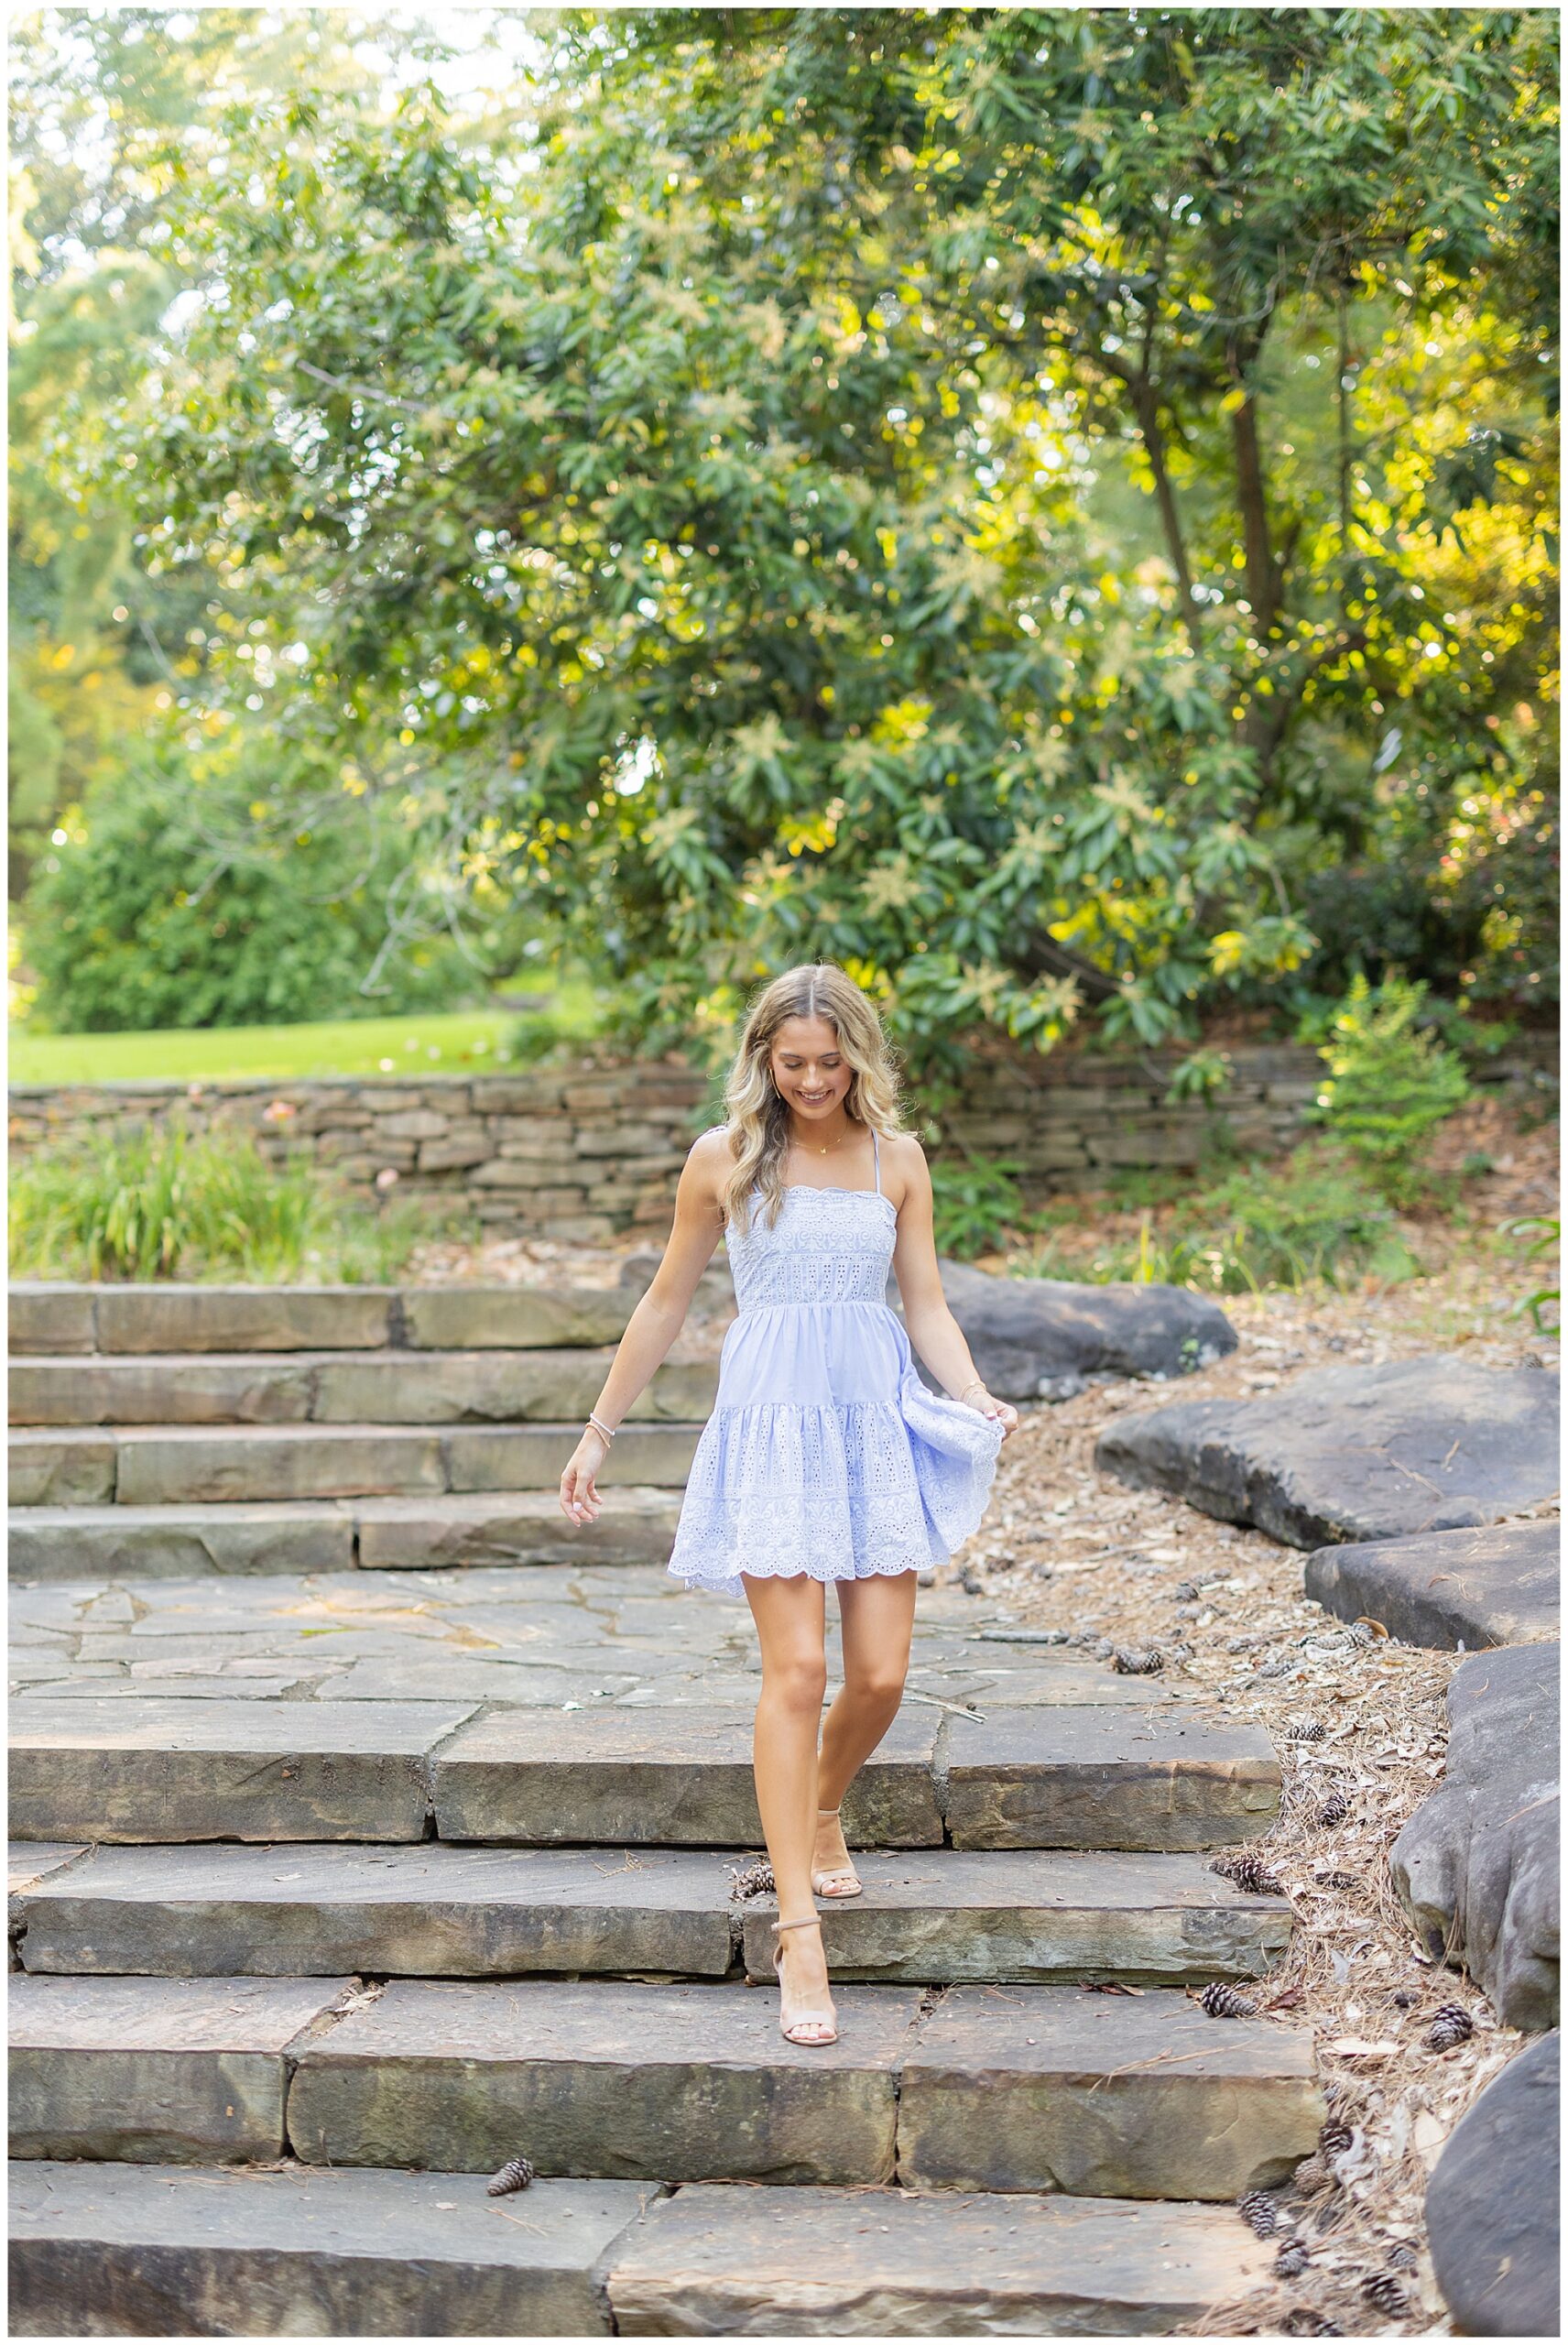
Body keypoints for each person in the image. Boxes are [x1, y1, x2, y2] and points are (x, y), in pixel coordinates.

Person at [558, 963, 1018, 2045]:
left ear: (858, 1059)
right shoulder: (721, 1158)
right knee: (798, 1670)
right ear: (763, 1059)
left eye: (828, 1063)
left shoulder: (897, 1160)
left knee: (882, 1675)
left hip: (868, 1426)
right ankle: (797, 1935)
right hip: (769, 1429)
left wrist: (972, 1393)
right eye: (792, 1063)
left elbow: (925, 1303)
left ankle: (817, 1805)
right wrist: (598, 1429)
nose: (811, 1081)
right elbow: (664, 1300)